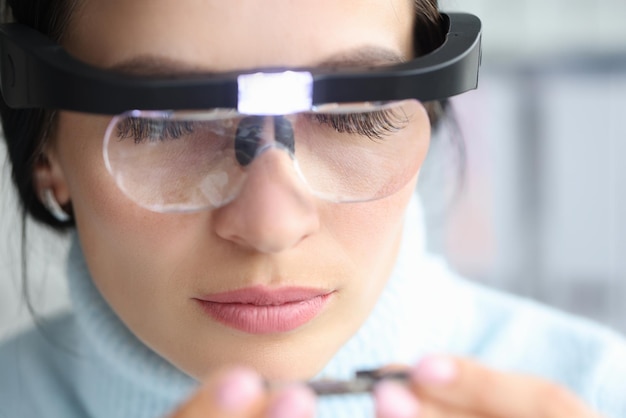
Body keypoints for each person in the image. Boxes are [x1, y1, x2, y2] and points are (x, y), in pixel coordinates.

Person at [0, 0, 624, 417]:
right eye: (167, 124)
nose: (272, 225)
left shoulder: (599, 391)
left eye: (354, 113)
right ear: (44, 152)